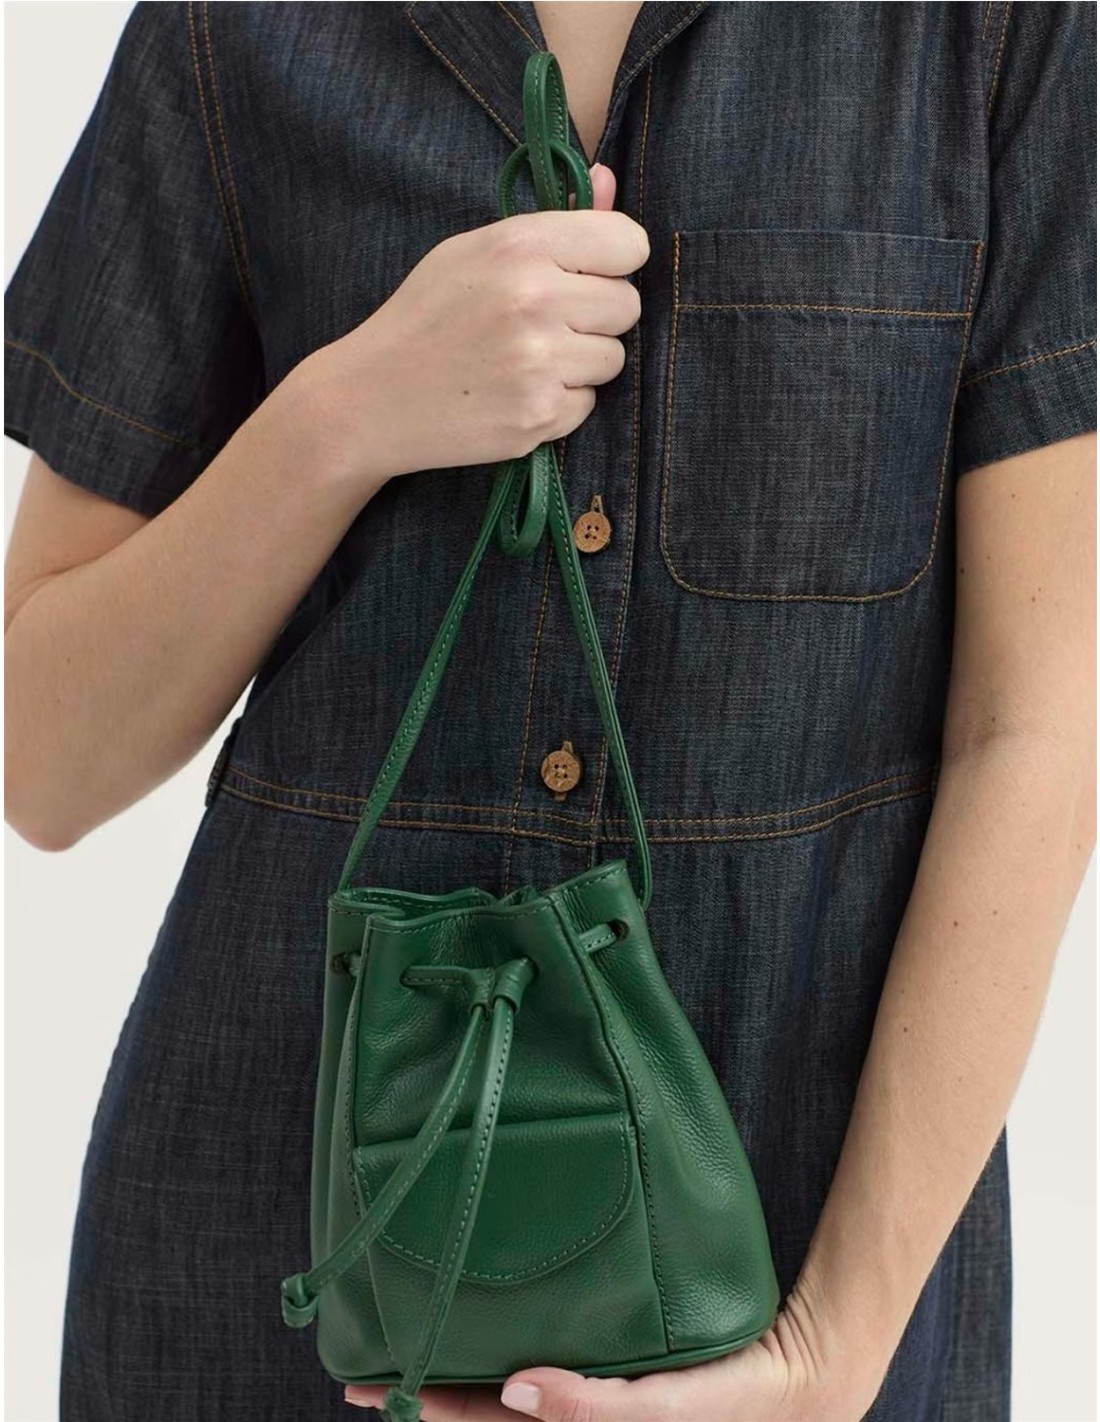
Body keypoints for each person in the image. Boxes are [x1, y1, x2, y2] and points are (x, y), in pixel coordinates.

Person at [4, 3, 1096, 1419]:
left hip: (806, 1281)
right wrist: (346, 411)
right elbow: (41, 755)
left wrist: (830, 1350)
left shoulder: (997, 31)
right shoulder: (235, 26)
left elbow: (1041, 724)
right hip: (277, 1274)